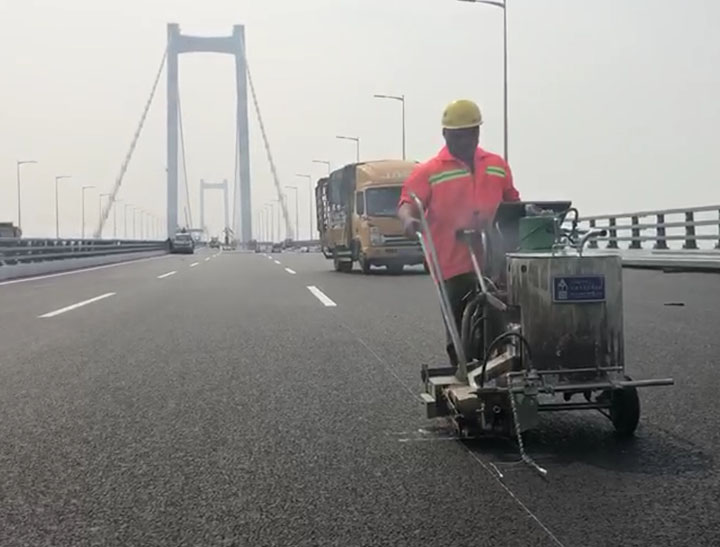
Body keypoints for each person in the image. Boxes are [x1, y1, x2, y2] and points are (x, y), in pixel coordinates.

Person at [397, 99, 521, 368]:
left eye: (470, 133)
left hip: (494, 258)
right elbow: (408, 203)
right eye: (457, 135)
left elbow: (513, 204)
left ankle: (500, 364)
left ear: (477, 132)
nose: (464, 140)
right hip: (450, 261)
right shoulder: (429, 171)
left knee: (499, 316)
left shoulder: (497, 165)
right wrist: (409, 221)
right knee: (458, 322)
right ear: (445, 134)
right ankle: (462, 366)